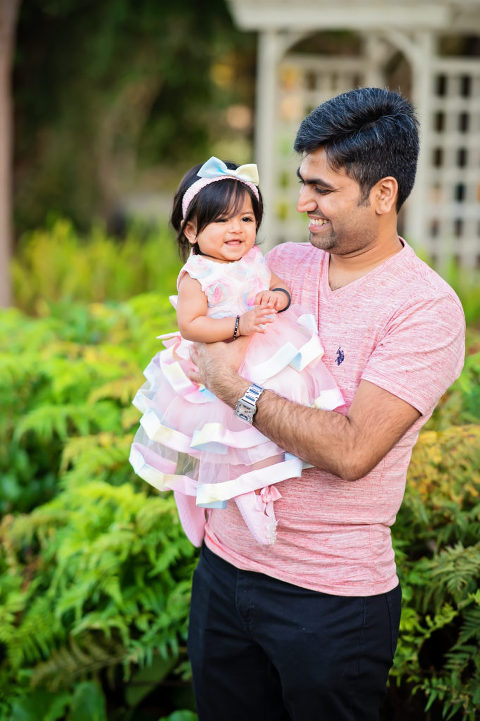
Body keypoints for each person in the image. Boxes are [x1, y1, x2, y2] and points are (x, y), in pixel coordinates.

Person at [185, 88, 466, 721]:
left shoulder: (425, 309)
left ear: (384, 194)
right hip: (225, 572)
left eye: (323, 188)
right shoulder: (279, 265)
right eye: (301, 182)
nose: (302, 202)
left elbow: (351, 449)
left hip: (329, 602)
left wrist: (231, 384)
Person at [129, 156, 343, 547]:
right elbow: (190, 324)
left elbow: (281, 289)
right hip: (217, 350)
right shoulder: (197, 274)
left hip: (261, 348)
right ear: (191, 231)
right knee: (206, 436)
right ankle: (195, 493)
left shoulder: (254, 261)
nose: (237, 229)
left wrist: (273, 298)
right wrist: (238, 325)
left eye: (246, 219)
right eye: (223, 220)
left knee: (255, 429)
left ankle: (256, 489)